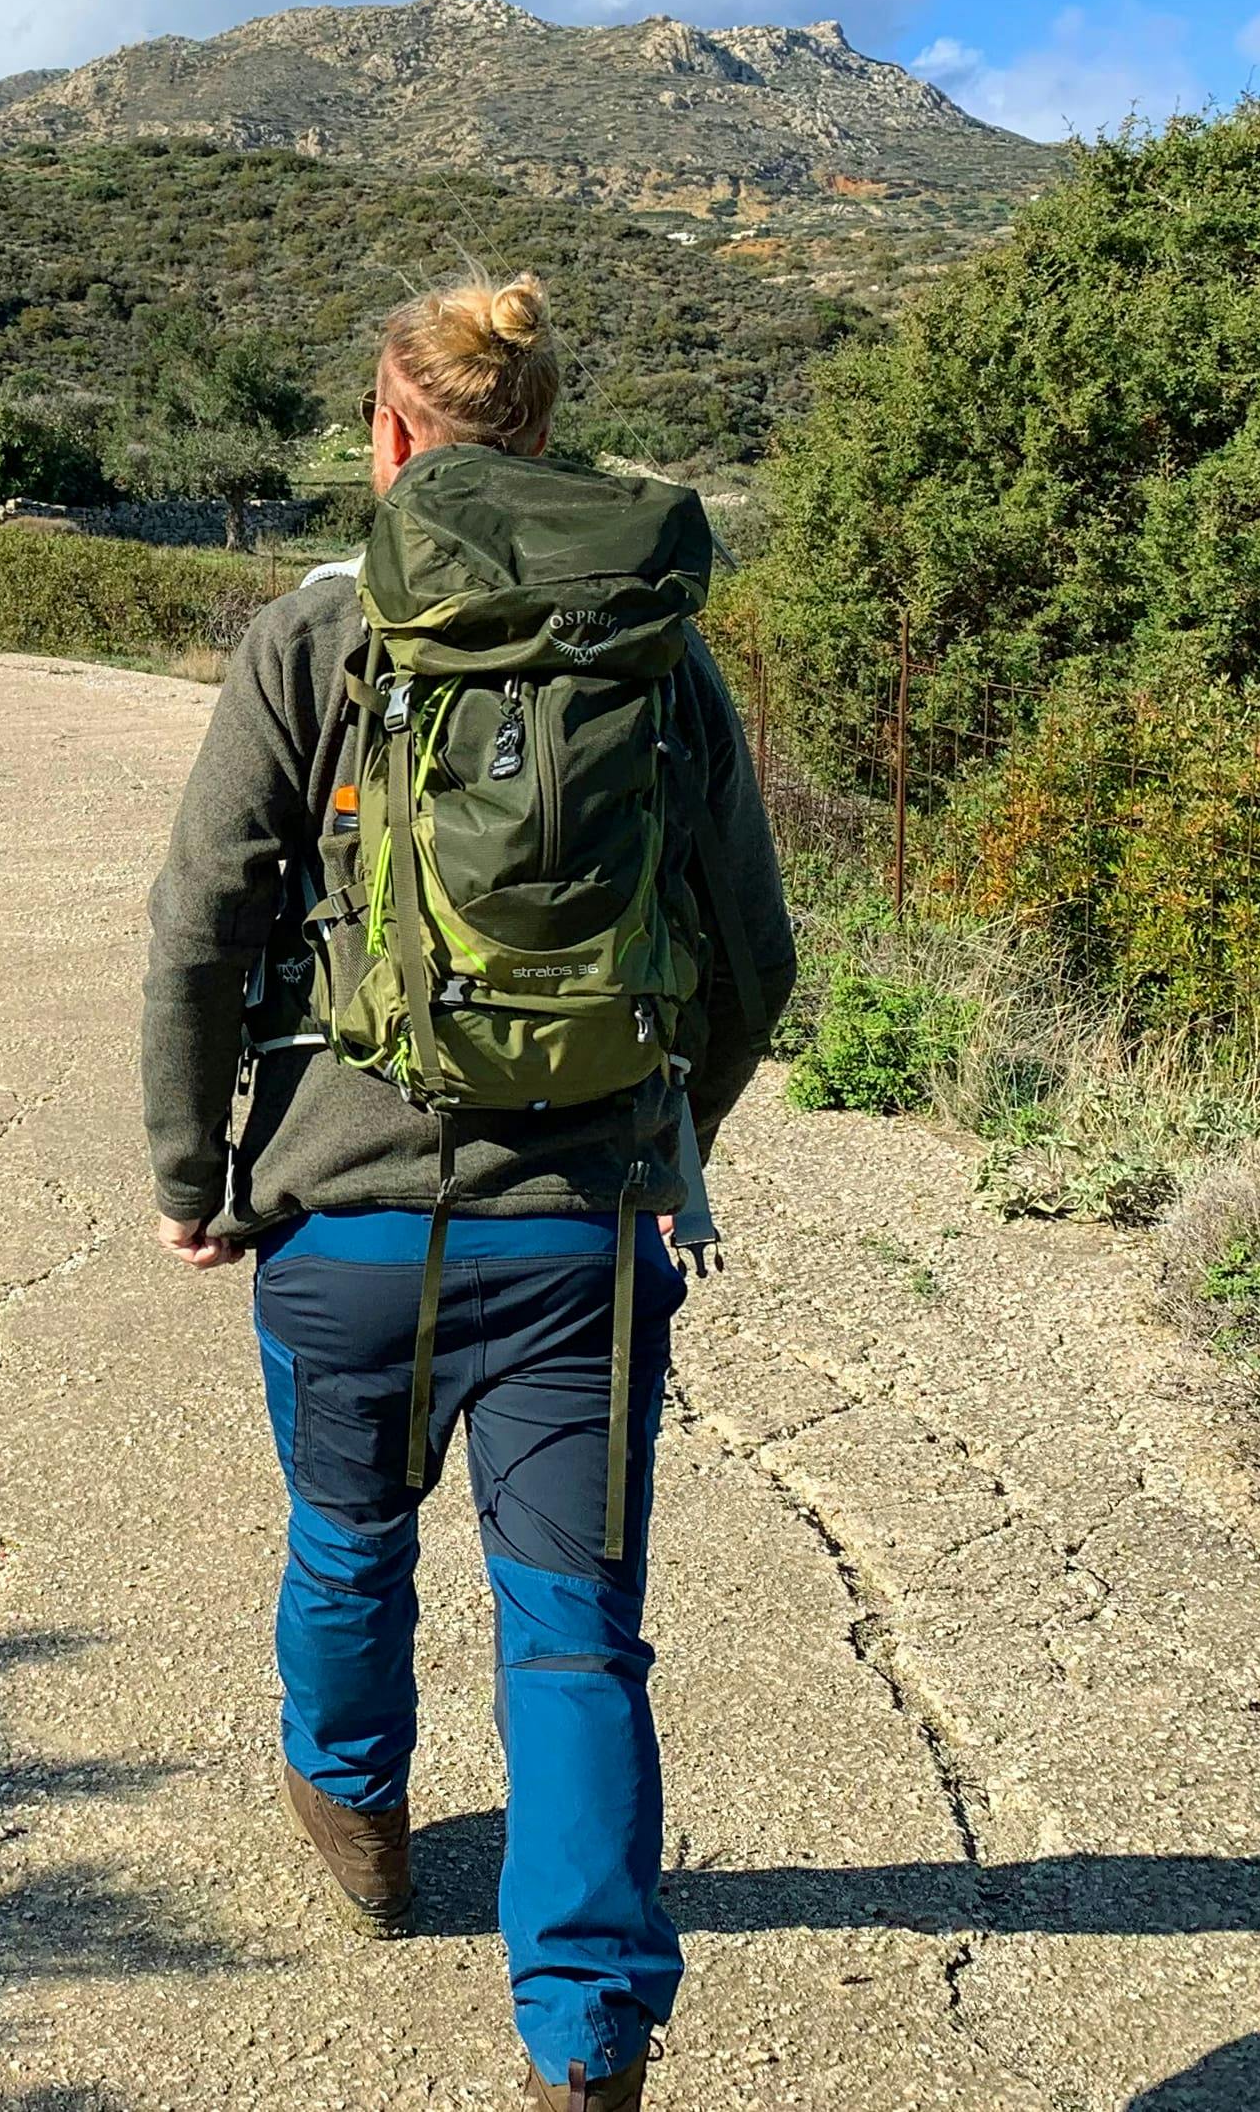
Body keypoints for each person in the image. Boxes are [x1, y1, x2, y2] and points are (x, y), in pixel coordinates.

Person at [139, 271, 794, 2111]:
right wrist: (675, 1151)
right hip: (583, 1238)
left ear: (395, 432)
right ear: (543, 425)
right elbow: (754, 961)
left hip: (337, 1225)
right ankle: (585, 2039)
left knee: (348, 1540)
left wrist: (198, 1171)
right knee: (574, 1624)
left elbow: (202, 926)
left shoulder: (313, 641)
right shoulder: (659, 652)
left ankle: (358, 1827)